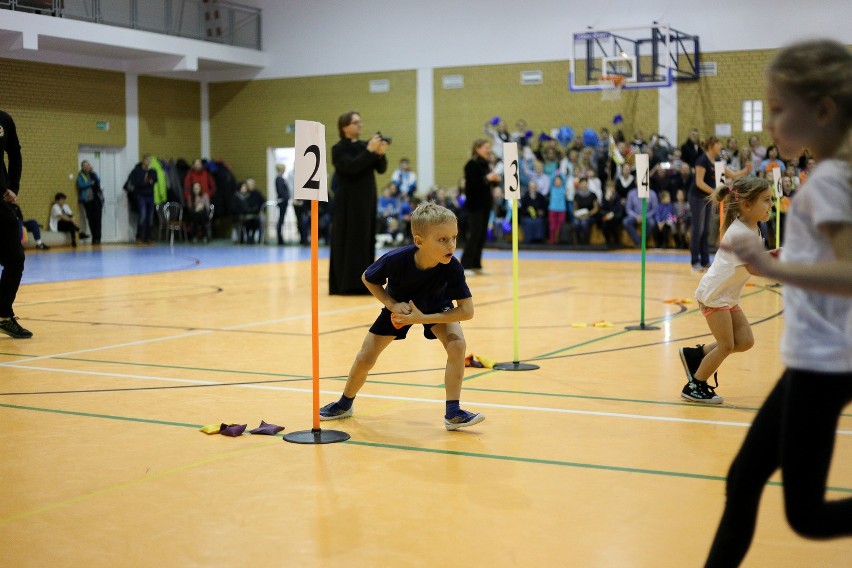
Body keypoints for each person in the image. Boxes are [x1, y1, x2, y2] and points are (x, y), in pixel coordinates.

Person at [703, 39, 852, 567]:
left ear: (824, 111)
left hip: (827, 364)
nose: (768, 123)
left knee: (805, 516)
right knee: (743, 479)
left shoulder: (832, 180)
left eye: (777, 109)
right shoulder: (829, 177)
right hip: (813, 362)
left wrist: (768, 267)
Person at [319, 201, 485, 431]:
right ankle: (344, 403)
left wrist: (422, 319)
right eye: (442, 239)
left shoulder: (452, 266)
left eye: (454, 237)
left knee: (457, 345)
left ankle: (453, 412)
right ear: (419, 241)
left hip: (437, 308)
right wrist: (391, 304)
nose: (451, 245)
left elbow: (467, 311)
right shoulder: (396, 259)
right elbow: (368, 278)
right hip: (399, 309)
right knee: (365, 357)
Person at [679, 176, 773, 404]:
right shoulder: (740, 233)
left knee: (745, 340)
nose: (771, 205)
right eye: (766, 200)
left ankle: (696, 355)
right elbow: (755, 267)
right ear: (746, 205)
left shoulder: (754, 227)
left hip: (727, 296)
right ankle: (695, 385)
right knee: (726, 345)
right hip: (715, 295)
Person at [329, 111, 388, 295]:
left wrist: (380, 153)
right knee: (348, 240)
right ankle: (346, 284)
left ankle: (365, 283)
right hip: (347, 203)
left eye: (360, 122)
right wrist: (370, 151)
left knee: (365, 239)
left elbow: (381, 168)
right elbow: (351, 167)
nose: (360, 125)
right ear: (345, 127)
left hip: (366, 201)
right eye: (356, 122)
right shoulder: (338, 149)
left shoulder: (365, 145)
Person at [688, 137, 751, 271]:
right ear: (711, 145)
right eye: (718, 144)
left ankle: (705, 261)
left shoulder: (717, 161)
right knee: (698, 230)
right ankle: (695, 261)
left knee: (706, 230)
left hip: (709, 198)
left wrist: (746, 171)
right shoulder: (701, 160)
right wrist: (716, 192)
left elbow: (733, 175)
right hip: (697, 198)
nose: (721, 146)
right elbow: (699, 183)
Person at [0, 109, 32, 339]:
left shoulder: (4, 119)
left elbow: (15, 154)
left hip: (0, 199)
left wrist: (14, 186)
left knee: (15, 258)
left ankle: (3, 315)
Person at [460, 139, 500, 275]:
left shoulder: (486, 165)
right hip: (474, 205)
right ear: (477, 148)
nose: (488, 150)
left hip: (485, 205)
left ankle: (476, 264)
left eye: (489, 147)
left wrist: (494, 180)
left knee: (482, 235)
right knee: (474, 234)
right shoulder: (471, 165)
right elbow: (472, 185)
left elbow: (488, 185)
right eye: (485, 147)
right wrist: (487, 179)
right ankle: (465, 265)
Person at [126, 154, 158, 244]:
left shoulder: (152, 171)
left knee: (150, 218)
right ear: (143, 161)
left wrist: (149, 181)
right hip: (141, 196)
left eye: (149, 161)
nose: (148, 162)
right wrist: (145, 182)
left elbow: (155, 180)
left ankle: (148, 238)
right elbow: (135, 182)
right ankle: (139, 237)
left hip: (150, 196)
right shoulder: (137, 171)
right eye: (147, 160)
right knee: (143, 216)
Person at [76, 160, 103, 245]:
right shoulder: (81, 175)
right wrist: (90, 183)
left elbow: (98, 181)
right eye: (85, 166)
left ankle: (98, 238)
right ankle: (94, 238)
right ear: (82, 167)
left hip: (97, 199)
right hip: (87, 200)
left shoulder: (93, 174)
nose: (87, 167)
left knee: (98, 220)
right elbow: (81, 185)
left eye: (88, 165)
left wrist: (93, 173)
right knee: (91, 220)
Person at [274, 163, 289, 245]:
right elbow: (281, 191)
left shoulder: (281, 178)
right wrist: (285, 197)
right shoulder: (279, 179)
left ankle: (280, 237)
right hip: (282, 201)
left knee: (281, 219)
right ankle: (279, 238)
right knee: (281, 219)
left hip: (284, 200)